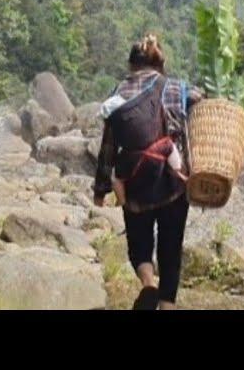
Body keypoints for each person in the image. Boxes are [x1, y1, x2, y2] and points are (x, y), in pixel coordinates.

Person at [94, 34, 203, 310]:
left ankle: (148, 283)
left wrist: (101, 189)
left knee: (139, 244)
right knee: (171, 246)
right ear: (161, 65)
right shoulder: (176, 88)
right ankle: (166, 305)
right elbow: (201, 99)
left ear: (131, 66)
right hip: (172, 182)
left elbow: (108, 145)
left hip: (134, 181)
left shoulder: (118, 93)